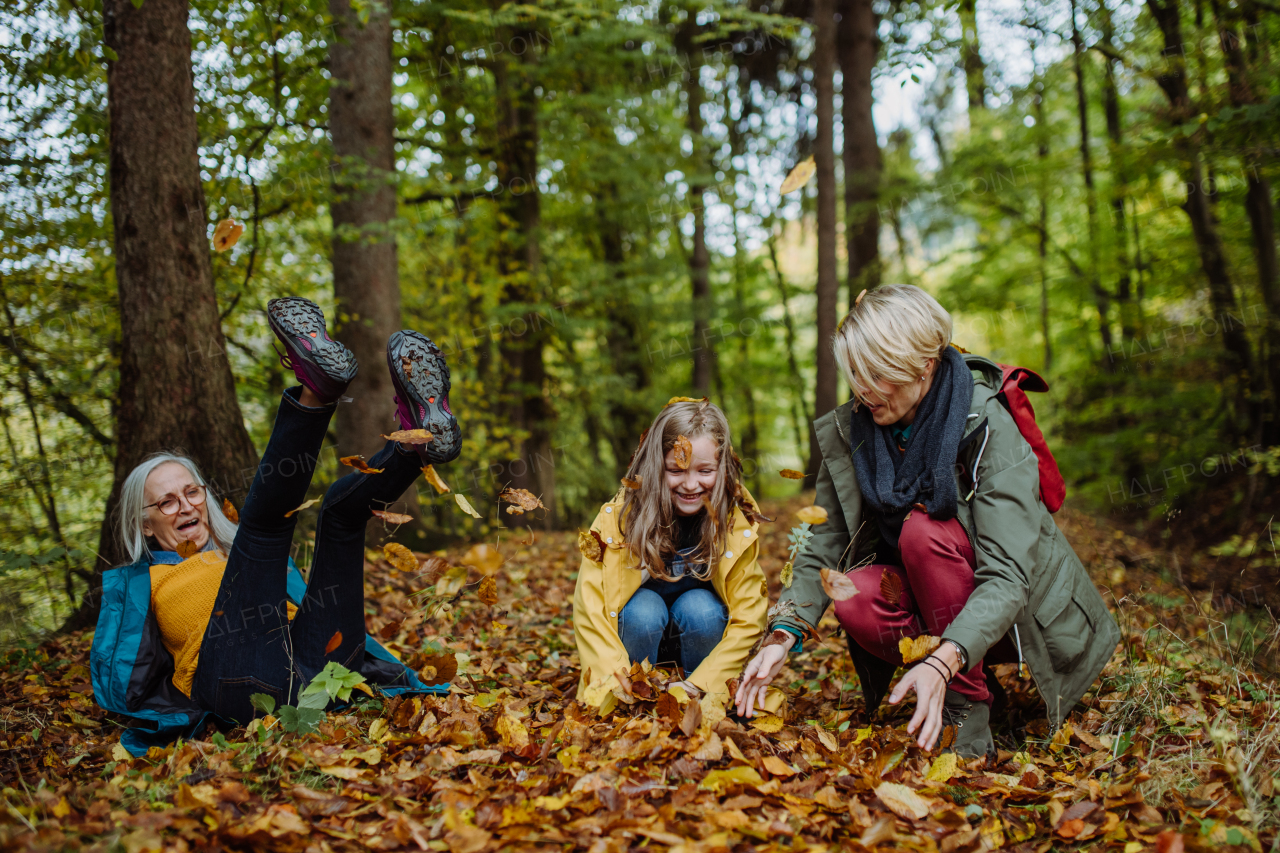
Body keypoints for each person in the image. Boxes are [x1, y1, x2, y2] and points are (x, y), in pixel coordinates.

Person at [734, 285, 1120, 758]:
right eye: (855, 373)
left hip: (1014, 615)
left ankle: (965, 712)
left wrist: (943, 662)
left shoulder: (987, 424)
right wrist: (783, 634)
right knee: (853, 596)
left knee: (921, 531)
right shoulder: (859, 430)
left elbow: (1008, 576)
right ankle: (963, 685)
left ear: (923, 365)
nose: (862, 389)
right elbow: (826, 540)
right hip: (931, 602)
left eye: (876, 373)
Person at [91, 297, 462, 754]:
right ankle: (317, 391)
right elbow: (126, 664)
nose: (185, 506)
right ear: (144, 525)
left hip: (321, 672)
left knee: (339, 514)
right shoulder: (146, 581)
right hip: (240, 685)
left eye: (191, 493)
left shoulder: (234, 556)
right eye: (165, 503)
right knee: (264, 529)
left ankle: (415, 443)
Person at [574, 401, 778, 710]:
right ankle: (633, 700)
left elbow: (749, 616)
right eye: (676, 471)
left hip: (699, 642)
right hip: (636, 638)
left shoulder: (735, 522)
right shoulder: (620, 517)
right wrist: (609, 685)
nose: (691, 484)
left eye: (705, 470)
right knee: (644, 609)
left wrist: (701, 685)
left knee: (702, 608)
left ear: (722, 468)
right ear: (656, 465)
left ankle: (696, 699)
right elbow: (591, 609)